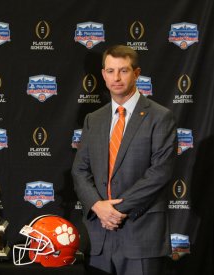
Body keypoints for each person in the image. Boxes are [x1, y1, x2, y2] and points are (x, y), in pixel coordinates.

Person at [72, 45, 177, 275]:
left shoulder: (161, 117)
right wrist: (98, 207)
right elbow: (80, 171)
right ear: (103, 75)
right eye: (110, 71)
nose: (116, 78)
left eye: (123, 70)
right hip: (99, 236)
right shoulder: (94, 119)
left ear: (137, 73)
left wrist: (115, 211)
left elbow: (160, 172)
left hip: (141, 234)